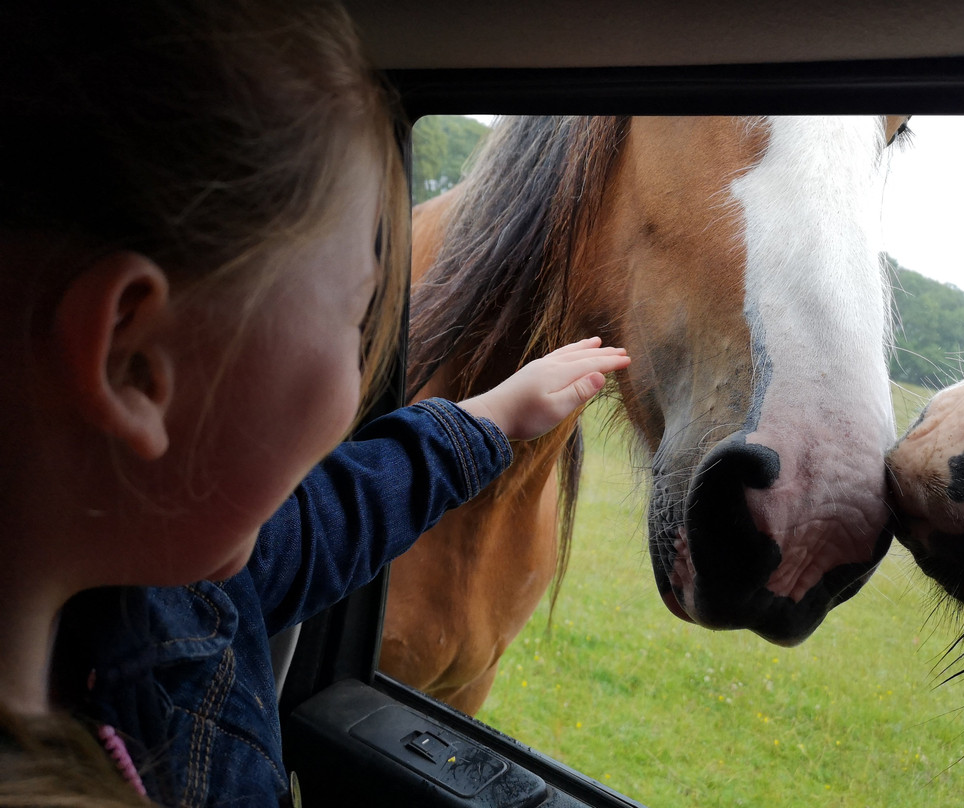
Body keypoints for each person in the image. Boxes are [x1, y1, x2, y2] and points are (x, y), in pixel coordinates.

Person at [0, 0, 631, 805]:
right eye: (356, 313)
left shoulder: (164, 574)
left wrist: (491, 420)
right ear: (135, 365)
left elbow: (311, 528)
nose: (369, 358)